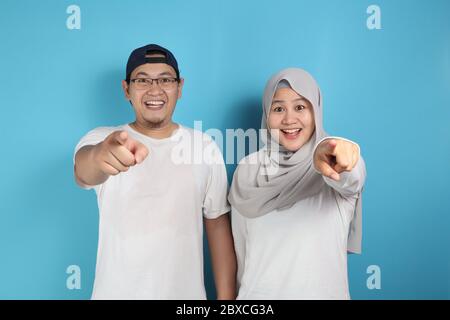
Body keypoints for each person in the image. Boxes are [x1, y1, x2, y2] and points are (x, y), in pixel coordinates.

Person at [73, 44, 236, 299]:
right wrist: (102, 155)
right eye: (142, 80)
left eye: (165, 79)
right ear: (126, 89)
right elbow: (84, 170)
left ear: (179, 87)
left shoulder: (204, 146)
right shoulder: (103, 138)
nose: (155, 90)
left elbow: (217, 228)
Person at [228, 68, 366, 299]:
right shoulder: (247, 169)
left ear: (316, 111)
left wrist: (335, 154)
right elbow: (241, 252)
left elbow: (351, 177)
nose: (289, 119)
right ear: (266, 114)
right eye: (278, 108)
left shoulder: (335, 159)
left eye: (300, 107)